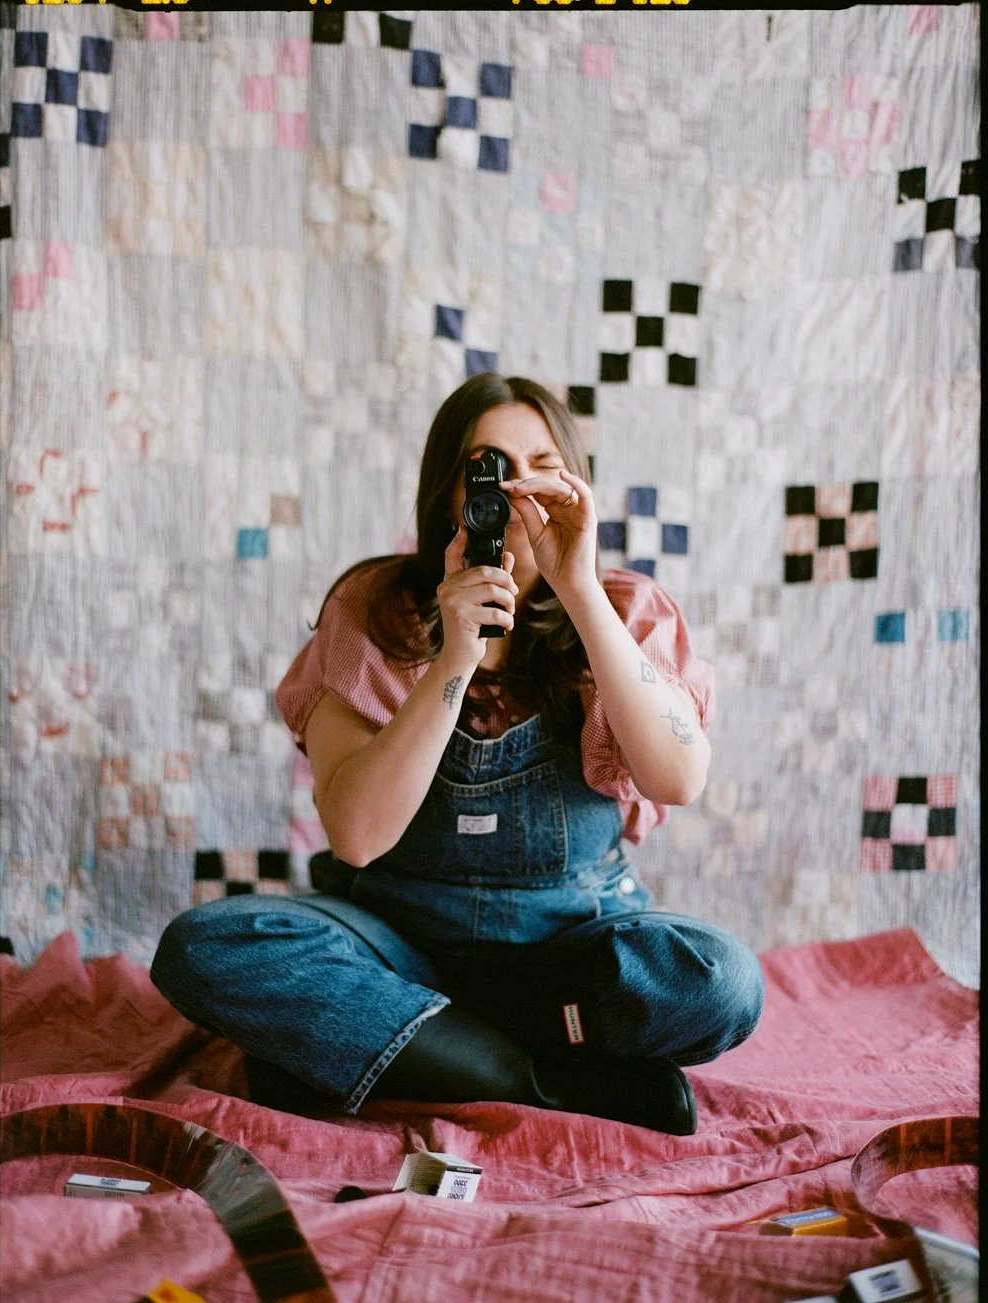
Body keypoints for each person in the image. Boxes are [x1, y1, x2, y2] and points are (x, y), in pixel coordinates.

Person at [151, 373, 764, 1135]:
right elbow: (357, 836)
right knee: (205, 946)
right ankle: (537, 1078)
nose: (517, 491)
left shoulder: (625, 608)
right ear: (450, 494)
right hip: (397, 941)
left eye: (542, 467)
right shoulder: (374, 608)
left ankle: (408, 1050)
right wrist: (453, 658)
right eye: (490, 469)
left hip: (567, 944)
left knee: (719, 978)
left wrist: (580, 591)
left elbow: (679, 776)